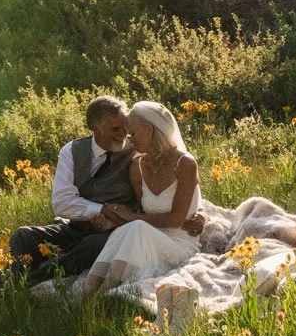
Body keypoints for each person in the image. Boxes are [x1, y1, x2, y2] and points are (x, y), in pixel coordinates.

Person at [0, 94, 176, 292]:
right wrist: (102, 210)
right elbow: (62, 203)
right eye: (115, 129)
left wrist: (115, 219)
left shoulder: (136, 150)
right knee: (23, 235)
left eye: (125, 129)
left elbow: (169, 174)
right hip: (75, 226)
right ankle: (1, 284)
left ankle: (5, 289)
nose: (123, 136)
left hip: (115, 232)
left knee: (92, 246)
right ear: (94, 128)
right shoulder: (72, 152)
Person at [70, 100, 202, 298]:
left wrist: (130, 217)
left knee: (136, 227)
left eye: (133, 133)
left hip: (179, 242)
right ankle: (88, 292)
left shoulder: (185, 163)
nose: (129, 140)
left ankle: (102, 296)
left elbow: (175, 219)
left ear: (148, 129)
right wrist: (114, 221)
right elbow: (143, 212)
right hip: (148, 236)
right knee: (131, 229)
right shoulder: (138, 165)